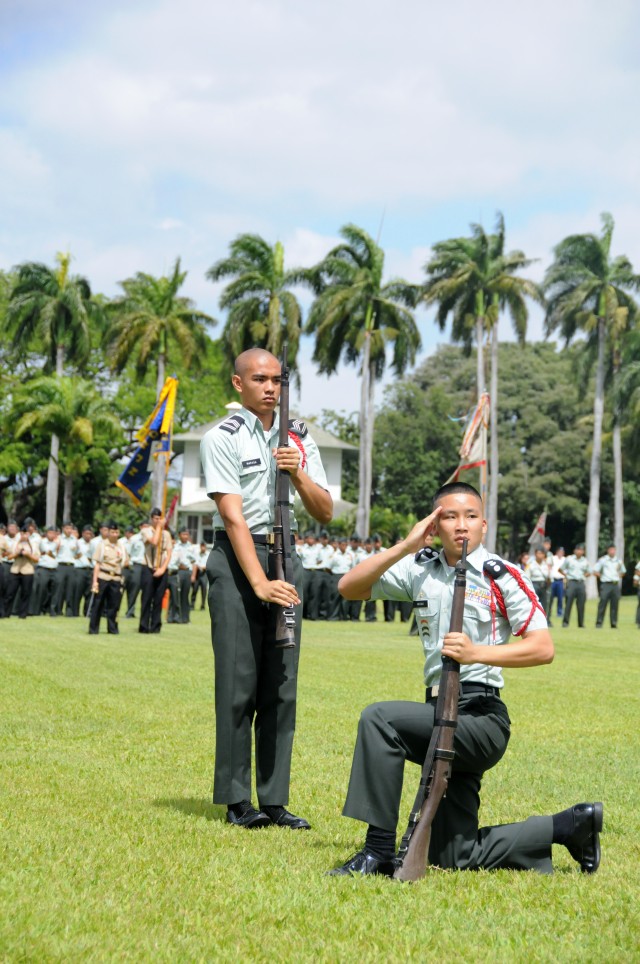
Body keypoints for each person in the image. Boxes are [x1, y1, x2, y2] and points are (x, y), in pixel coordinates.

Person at [328, 482, 602, 877]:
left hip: (480, 719)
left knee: (380, 719)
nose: (461, 526)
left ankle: (378, 851)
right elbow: (349, 588)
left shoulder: (503, 576)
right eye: (449, 517)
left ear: (484, 525)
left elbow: (543, 648)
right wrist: (405, 546)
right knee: (453, 854)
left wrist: (477, 653)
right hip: (437, 711)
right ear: (434, 525)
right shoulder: (419, 569)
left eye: (470, 516)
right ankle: (569, 825)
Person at [200, 348, 332, 830]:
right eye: (260, 379)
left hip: (284, 553)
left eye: (277, 379)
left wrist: (296, 469)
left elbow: (324, 510)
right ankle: (237, 800)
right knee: (238, 684)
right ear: (239, 384)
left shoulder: (298, 437)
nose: (270, 387)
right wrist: (258, 581)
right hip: (239, 560)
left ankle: (274, 800)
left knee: (281, 683)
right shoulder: (222, 437)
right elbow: (232, 515)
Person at [138, 510, 172, 634]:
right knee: (147, 598)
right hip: (148, 567)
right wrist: (158, 527)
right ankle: (144, 626)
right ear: (151, 519)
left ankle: (156, 626)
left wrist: (163, 569)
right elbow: (154, 541)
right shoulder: (145, 531)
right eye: (156, 518)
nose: (158, 521)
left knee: (158, 599)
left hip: (162, 568)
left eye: (160, 518)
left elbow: (169, 553)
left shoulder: (166, 534)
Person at [89, 521, 125, 635]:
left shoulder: (121, 546)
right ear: (108, 533)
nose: (114, 534)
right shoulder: (102, 545)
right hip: (103, 576)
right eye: (112, 532)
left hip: (116, 578)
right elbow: (97, 565)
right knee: (98, 604)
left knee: (114, 605)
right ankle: (94, 629)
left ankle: (112, 628)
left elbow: (125, 561)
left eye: (116, 532)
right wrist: (95, 582)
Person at [4, 525, 40, 619]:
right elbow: (9, 557)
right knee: (10, 593)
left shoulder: (33, 544)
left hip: (28, 570)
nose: (24, 535)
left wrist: (28, 555)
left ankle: (23, 614)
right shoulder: (15, 543)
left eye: (26, 533)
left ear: (29, 534)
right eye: (22, 533)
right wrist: (17, 553)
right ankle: (6, 613)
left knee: (25, 593)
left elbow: (36, 559)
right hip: (15, 569)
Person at [594, 544, 626, 629]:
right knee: (602, 603)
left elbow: (623, 571)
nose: (612, 551)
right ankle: (599, 623)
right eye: (611, 550)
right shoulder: (603, 560)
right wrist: (602, 577)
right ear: (608, 550)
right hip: (606, 584)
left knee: (615, 604)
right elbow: (595, 571)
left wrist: (617, 576)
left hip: (615, 584)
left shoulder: (618, 561)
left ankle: (614, 623)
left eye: (613, 550)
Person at [559, 544, 591, 629]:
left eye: (581, 550)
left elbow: (589, 571)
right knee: (568, 602)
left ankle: (581, 623)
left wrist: (584, 576)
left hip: (580, 582)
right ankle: (565, 622)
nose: (579, 551)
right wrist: (566, 575)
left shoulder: (585, 561)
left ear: (583, 552)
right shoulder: (569, 559)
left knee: (581, 604)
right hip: (571, 582)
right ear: (575, 551)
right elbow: (560, 569)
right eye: (578, 550)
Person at [527, 547, 552, 625]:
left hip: (544, 585)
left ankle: (543, 621)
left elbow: (550, 577)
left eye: (542, 553)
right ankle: (532, 621)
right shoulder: (531, 564)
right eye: (538, 553)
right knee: (533, 604)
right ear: (535, 554)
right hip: (534, 584)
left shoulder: (546, 565)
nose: (540, 555)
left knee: (544, 604)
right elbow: (527, 577)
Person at [549, 547, 566, 619]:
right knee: (550, 597)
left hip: (560, 580)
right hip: (553, 580)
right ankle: (549, 611)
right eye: (559, 552)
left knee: (560, 598)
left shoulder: (564, 559)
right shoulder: (553, 558)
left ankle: (559, 612)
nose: (560, 553)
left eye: (562, 552)